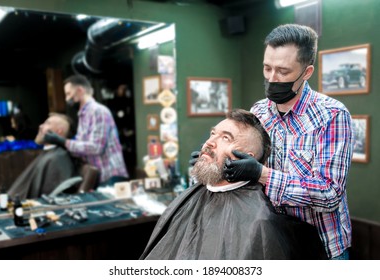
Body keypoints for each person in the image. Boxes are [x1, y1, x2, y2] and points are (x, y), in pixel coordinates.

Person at [222, 24, 354, 260]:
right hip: (274, 242)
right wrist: (216, 162)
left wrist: (262, 174)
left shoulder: (332, 116)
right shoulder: (259, 112)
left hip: (323, 248)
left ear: (307, 72)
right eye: (267, 68)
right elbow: (245, 161)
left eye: (283, 71)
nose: (272, 79)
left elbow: (330, 193)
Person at [141, 109, 326, 260]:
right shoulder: (194, 194)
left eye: (225, 138)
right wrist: (205, 169)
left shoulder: (259, 222)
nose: (209, 142)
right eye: (213, 133)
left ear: (245, 159)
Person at [44, 74, 129, 186]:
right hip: (98, 175)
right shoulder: (83, 115)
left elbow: (96, 147)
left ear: (80, 90)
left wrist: (63, 142)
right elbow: (81, 146)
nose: (67, 99)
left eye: (69, 94)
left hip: (110, 175)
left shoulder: (98, 111)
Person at [7, 113, 77, 200]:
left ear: (59, 131)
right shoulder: (50, 154)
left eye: (47, 123)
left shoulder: (57, 158)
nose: (40, 126)